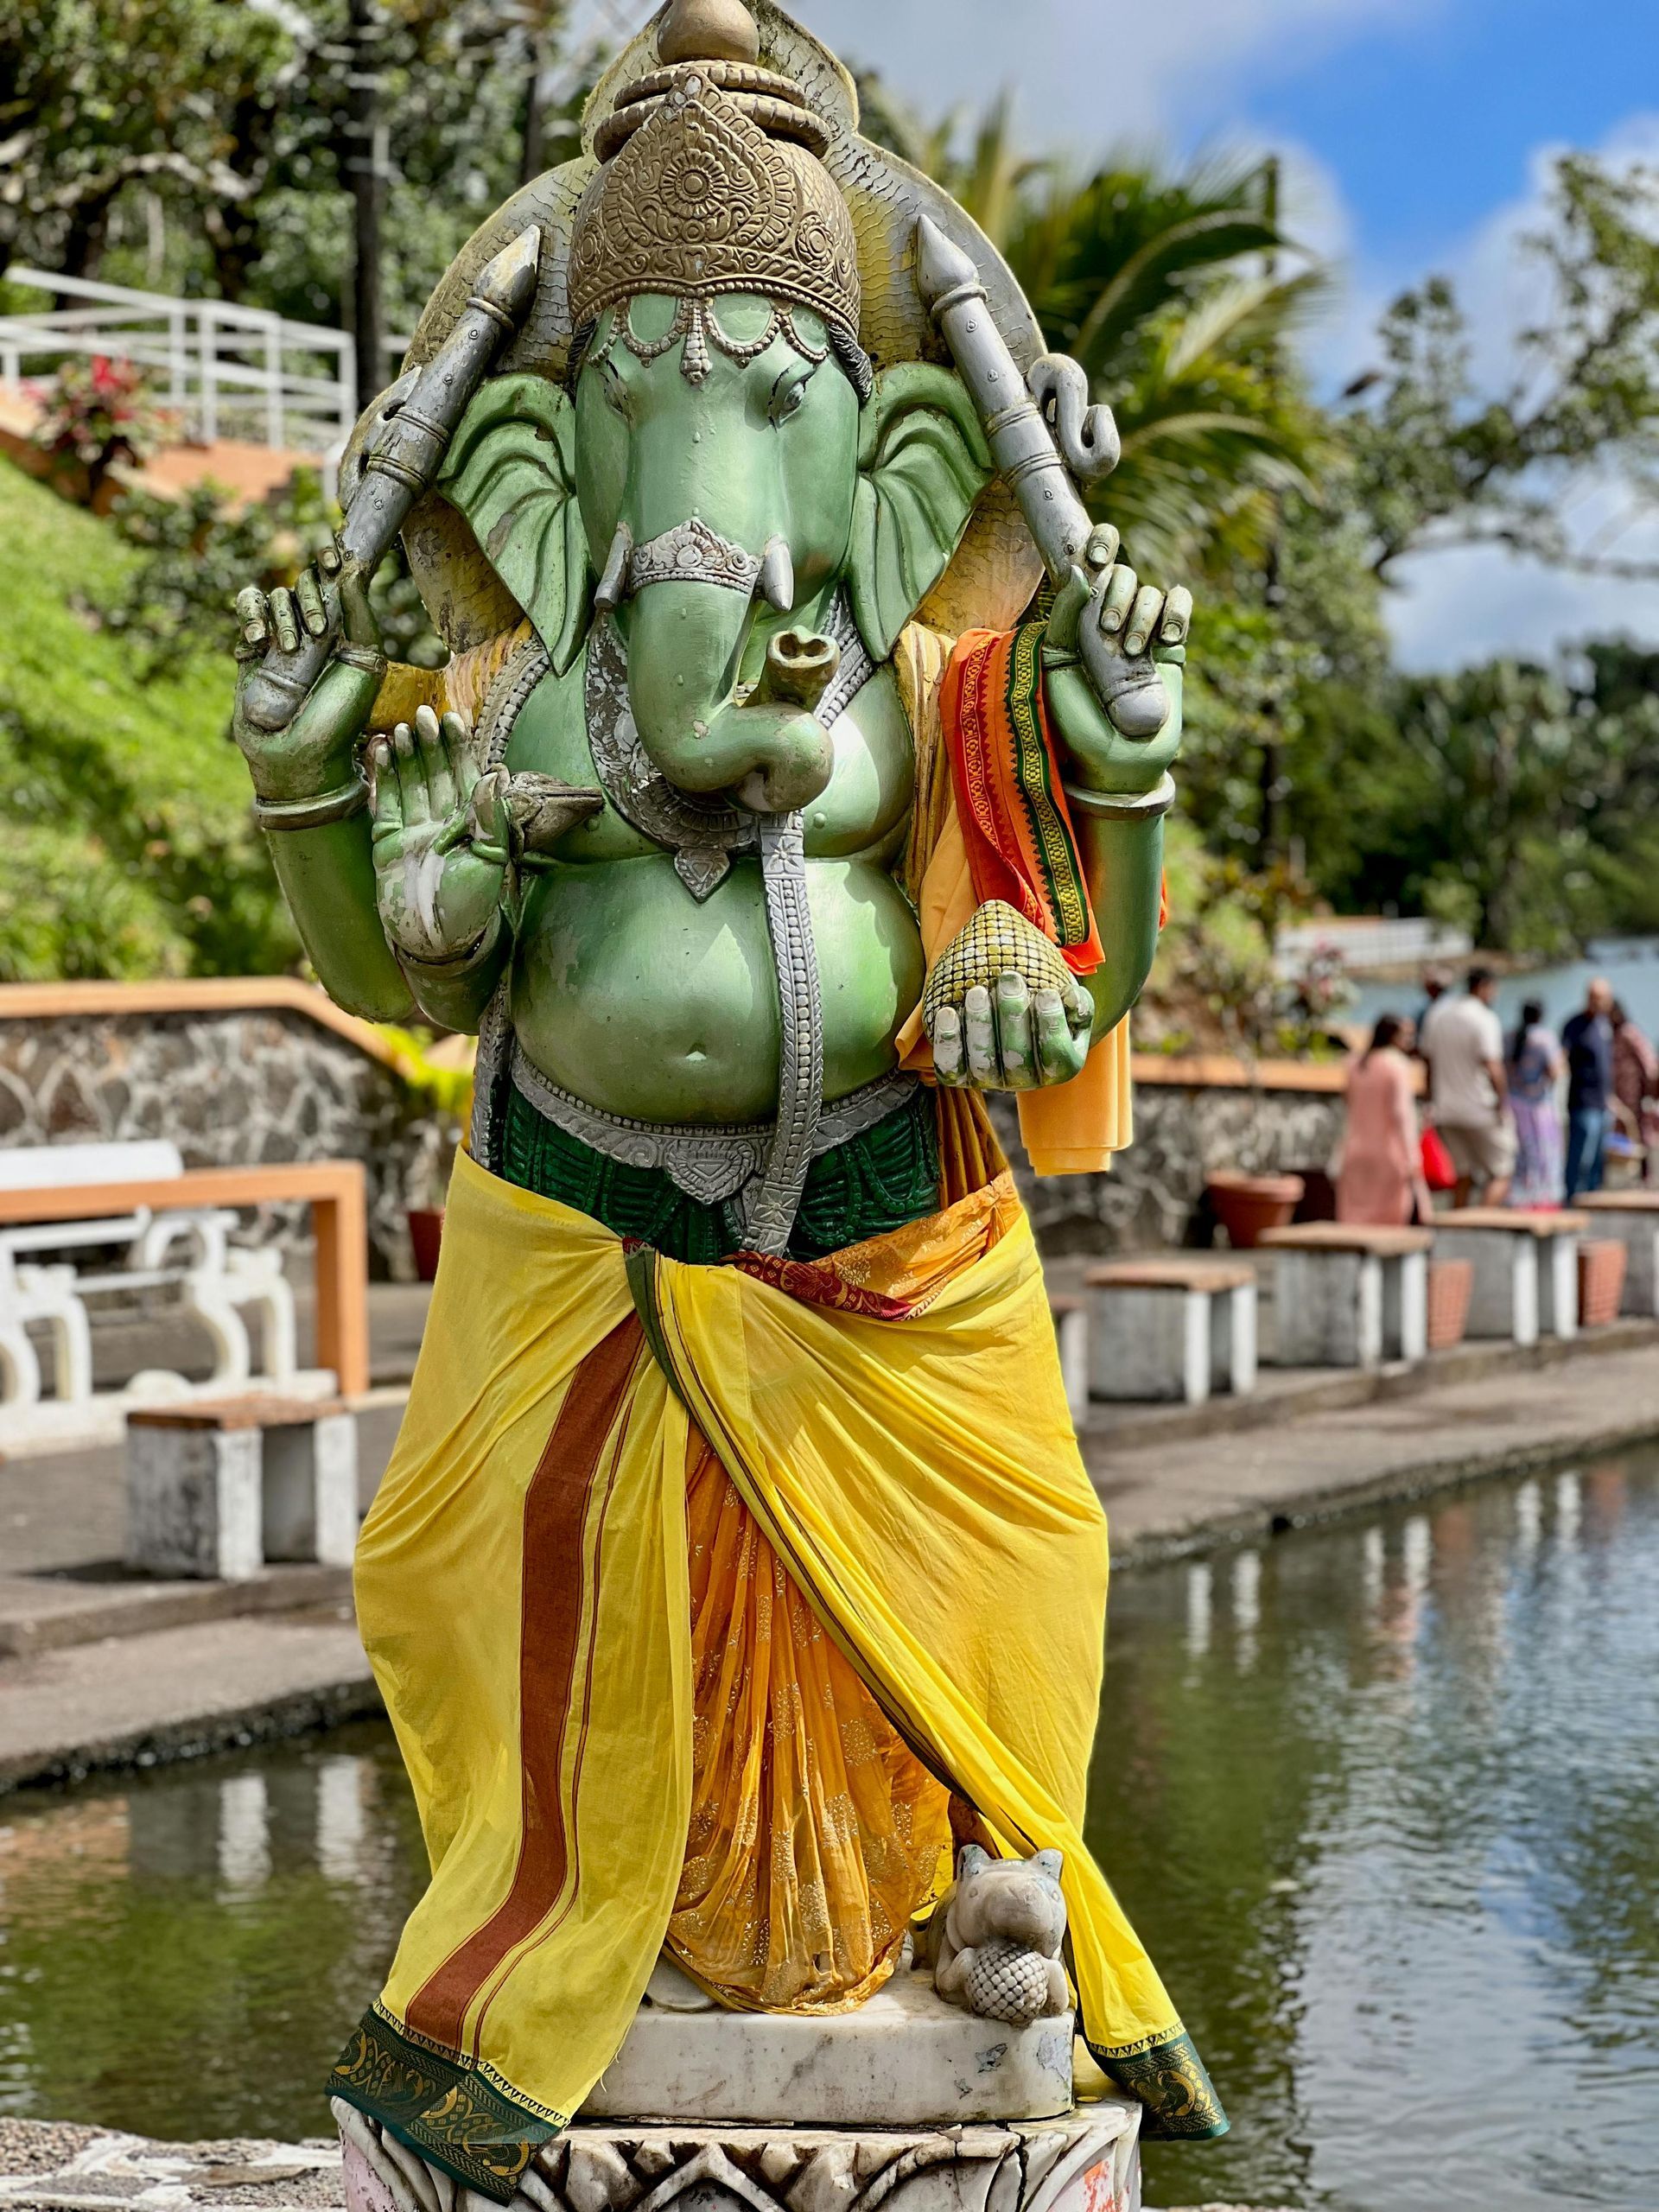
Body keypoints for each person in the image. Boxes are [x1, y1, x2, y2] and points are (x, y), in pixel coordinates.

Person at [1421, 967, 1514, 1207]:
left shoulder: (1438, 1014)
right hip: (1479, 1109)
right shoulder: (1484, 1018)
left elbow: (1428, 1063)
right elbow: (1493, 1067)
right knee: (1501, 1173)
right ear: (1484, 987)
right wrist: (1503, 1104)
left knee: (1463, 1175)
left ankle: (1455, 1233)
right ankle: (1479, 1229)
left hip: (1446, 1110)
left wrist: (1431, 1100)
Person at [1338, 1014, 1432, 1224]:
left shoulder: (1355, 1064)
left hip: (1355, 1150)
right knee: (1390, 1222)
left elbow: (1348, 1102)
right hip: (1389, 1153)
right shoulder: (1396, 1065)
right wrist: (1411, 1155)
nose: (1409, 1041)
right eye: (1406, 1035)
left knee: (1355, 1219)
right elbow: (1401, 1114)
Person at [1506, 998, 1565, 1208]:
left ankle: (1518, 1198)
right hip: (1538, 1106)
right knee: (1543, 1154)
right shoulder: (1545, 1038)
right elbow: (1555, 1071)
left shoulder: (1509, 1036)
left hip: (1513, 1104)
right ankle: (1542, 1200)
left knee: (1520, 1155)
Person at [1561, 979, 1617, 1198]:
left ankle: (1593, 1202)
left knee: (1598, 1161)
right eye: (1594, 997)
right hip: (1582, 1102)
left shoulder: (1604, 1023)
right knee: (1579, 1158)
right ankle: (1572, 1200)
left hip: (1603, 1102)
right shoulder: (1574, 1024)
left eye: (1602, 997)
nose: (1598, 1002)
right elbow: (1562, 1056)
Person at [1611, 1000, 1659, 1183]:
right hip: (1620, 1095)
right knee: (1625, 1136)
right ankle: (1630, 1176)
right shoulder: (1610, 1034)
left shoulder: (1629, 1032)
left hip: (1635, 1092)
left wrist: (1651, 1088)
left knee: (1642, 1133)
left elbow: (1647, 1060)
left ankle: (1645, 1176)